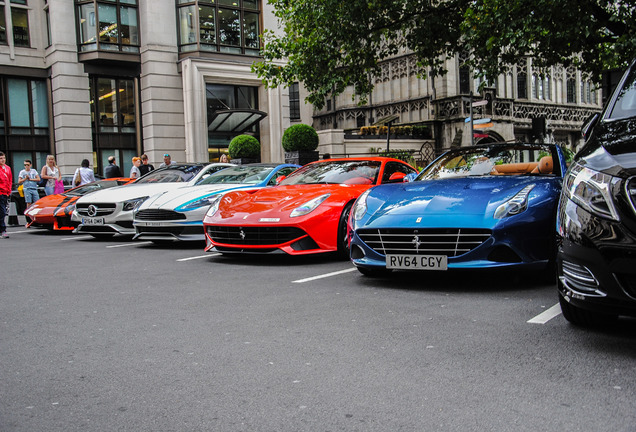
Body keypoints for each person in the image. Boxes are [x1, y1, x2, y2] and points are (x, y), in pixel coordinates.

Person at [0, 152, 12, 238]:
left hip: (5, 192)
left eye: (3, 158)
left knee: (3, 212)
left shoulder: (8, 168)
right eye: (1, 158)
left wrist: (9, 191)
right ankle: (3, 230)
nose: (3, 160)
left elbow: (10, 180)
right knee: (2, 211)